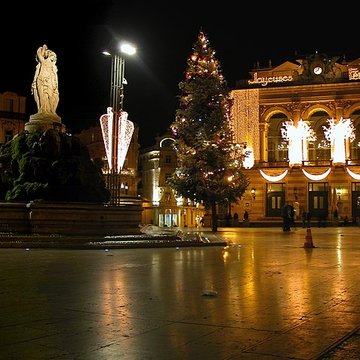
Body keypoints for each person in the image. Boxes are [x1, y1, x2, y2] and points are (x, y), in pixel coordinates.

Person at [31, 44, 59, 115]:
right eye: (49, 53)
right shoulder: (43, 61)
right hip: (41, 80)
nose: (51, 55)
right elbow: (39, 53)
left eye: (51, 54)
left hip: (49, 81)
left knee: (51, 97)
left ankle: (50, 111)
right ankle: (42, 110)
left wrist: (55, 85)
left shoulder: (53, 66)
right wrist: (43, 47)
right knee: (42, 97)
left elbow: (55, 77)